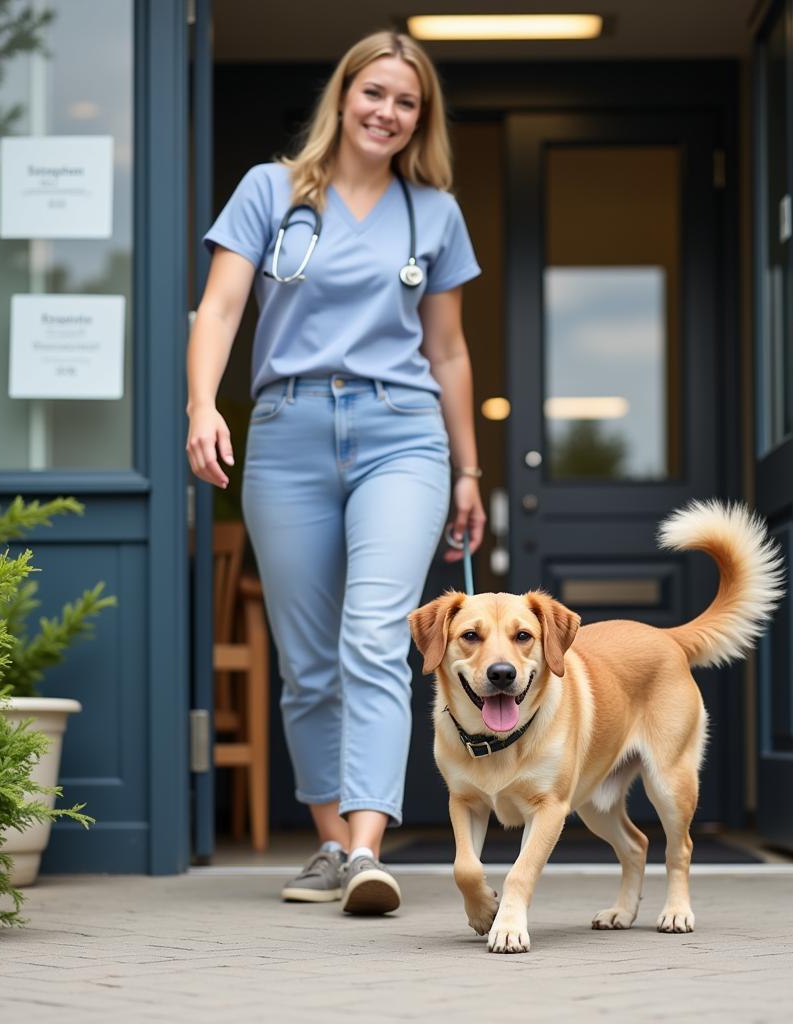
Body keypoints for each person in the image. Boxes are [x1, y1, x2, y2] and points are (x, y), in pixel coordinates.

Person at [185, 30, 486, 915]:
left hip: (402, 431)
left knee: (373, 636)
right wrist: (203, 406)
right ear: (343, 95)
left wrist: (468, 471)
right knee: (310, 660)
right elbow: (221, 306)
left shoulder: (434, 212)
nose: (387, 113)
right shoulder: (270, 191)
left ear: (419, 119)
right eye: (375, 94)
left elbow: (451, 350)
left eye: (407, 102)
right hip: (287, 430)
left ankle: (366, 848)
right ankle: (327, 844)